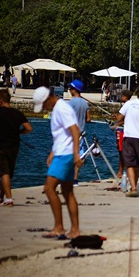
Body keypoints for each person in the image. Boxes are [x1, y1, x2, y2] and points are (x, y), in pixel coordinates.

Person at [34, 86, 82, 238]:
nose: (43, 109)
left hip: (65, 154)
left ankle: (59, 227)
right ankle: (74, 229)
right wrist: (53, 151)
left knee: (49, 188)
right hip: (61, 152)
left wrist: (76, 153)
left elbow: (75, 130)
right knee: (68, 192)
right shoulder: (58, 108)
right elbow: (62, 134)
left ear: (48, 99)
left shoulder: (62, 108)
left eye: (43, 105)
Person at [0, 88, 32, 206]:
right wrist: (19, 133)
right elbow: (29, 128)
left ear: (0, 101)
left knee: (4, 173)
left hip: (0, 146)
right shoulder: (18, 114)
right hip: (14, 146)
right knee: (7, 173)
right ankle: (1, 197)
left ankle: (9, 199)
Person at [115, 86, 139, 195]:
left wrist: (127, 120)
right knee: (138, 164)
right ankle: (134, 187)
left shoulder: (128, 104)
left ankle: (133, 188)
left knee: (130, 163)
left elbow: (119, 118)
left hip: (129, 137)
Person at [66, 79, 91, 182]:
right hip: (81, 134)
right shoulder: (85, 104)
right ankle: (75, 179)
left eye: (71, 88)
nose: (70, 90)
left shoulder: (71, 103)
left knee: (68, 157)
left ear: (75, 90)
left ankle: (66, 179)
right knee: (80, 157)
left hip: (71, 134)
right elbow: (88, 119)